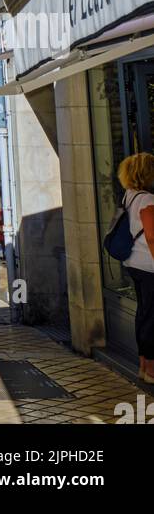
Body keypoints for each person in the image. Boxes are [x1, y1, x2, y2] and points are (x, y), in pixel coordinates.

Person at [117, 151, 154, 384]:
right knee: (151, 317)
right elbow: (151, 235)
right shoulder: (148, 201)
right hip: (150, 266)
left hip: (133, 263)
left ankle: (143, 364)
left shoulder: (128, 196)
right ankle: (151, 370)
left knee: (143, 314)